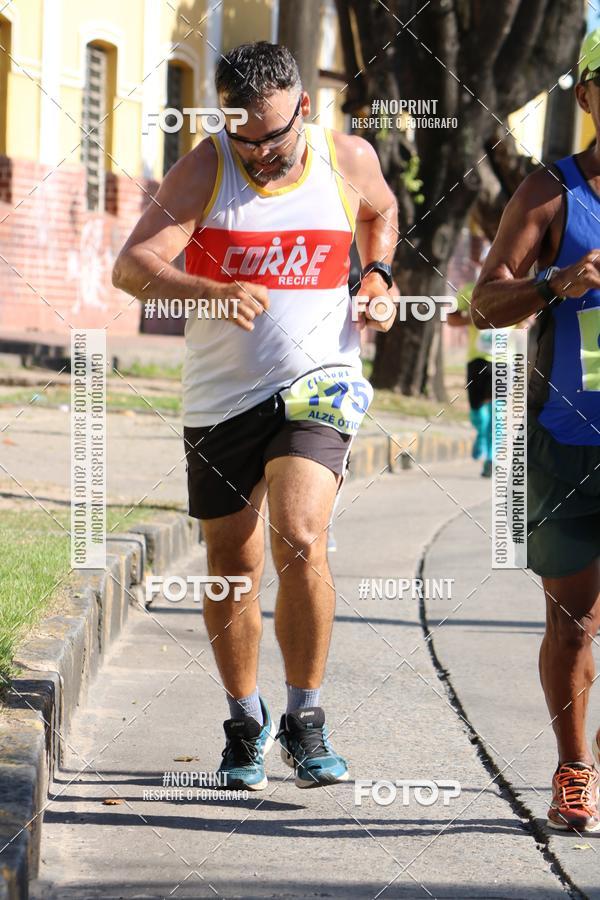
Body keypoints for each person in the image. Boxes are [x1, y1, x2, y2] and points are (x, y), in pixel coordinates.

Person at [112, 41, 397, 790]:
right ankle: (246, 721)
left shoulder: (348, 158)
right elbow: (132, 265)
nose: (259, 154)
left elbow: (382, 213)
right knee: (231, 563)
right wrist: (209, 291)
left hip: (320, 383)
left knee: (301, 535)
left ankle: (306, 719)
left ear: (304, 108)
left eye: (272, 137)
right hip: (222, 397)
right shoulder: (208, 166)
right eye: (243, 136)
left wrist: (376, 276)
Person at [471, 30, 600, 832]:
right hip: (569, 442)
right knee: (574, 620)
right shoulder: (549, 194)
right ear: (587, 95)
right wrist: (555, 284)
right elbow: (483, 303)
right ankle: (574, 770)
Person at [447, 281, 494, 478]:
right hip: (477, 358)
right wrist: (474, 319)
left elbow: (530, 318)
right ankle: (481, 434)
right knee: (477, 409)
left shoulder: (520, 286)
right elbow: (452, 318)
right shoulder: (472, 289)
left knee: (497, 411)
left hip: (505, 359)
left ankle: (491, 458)